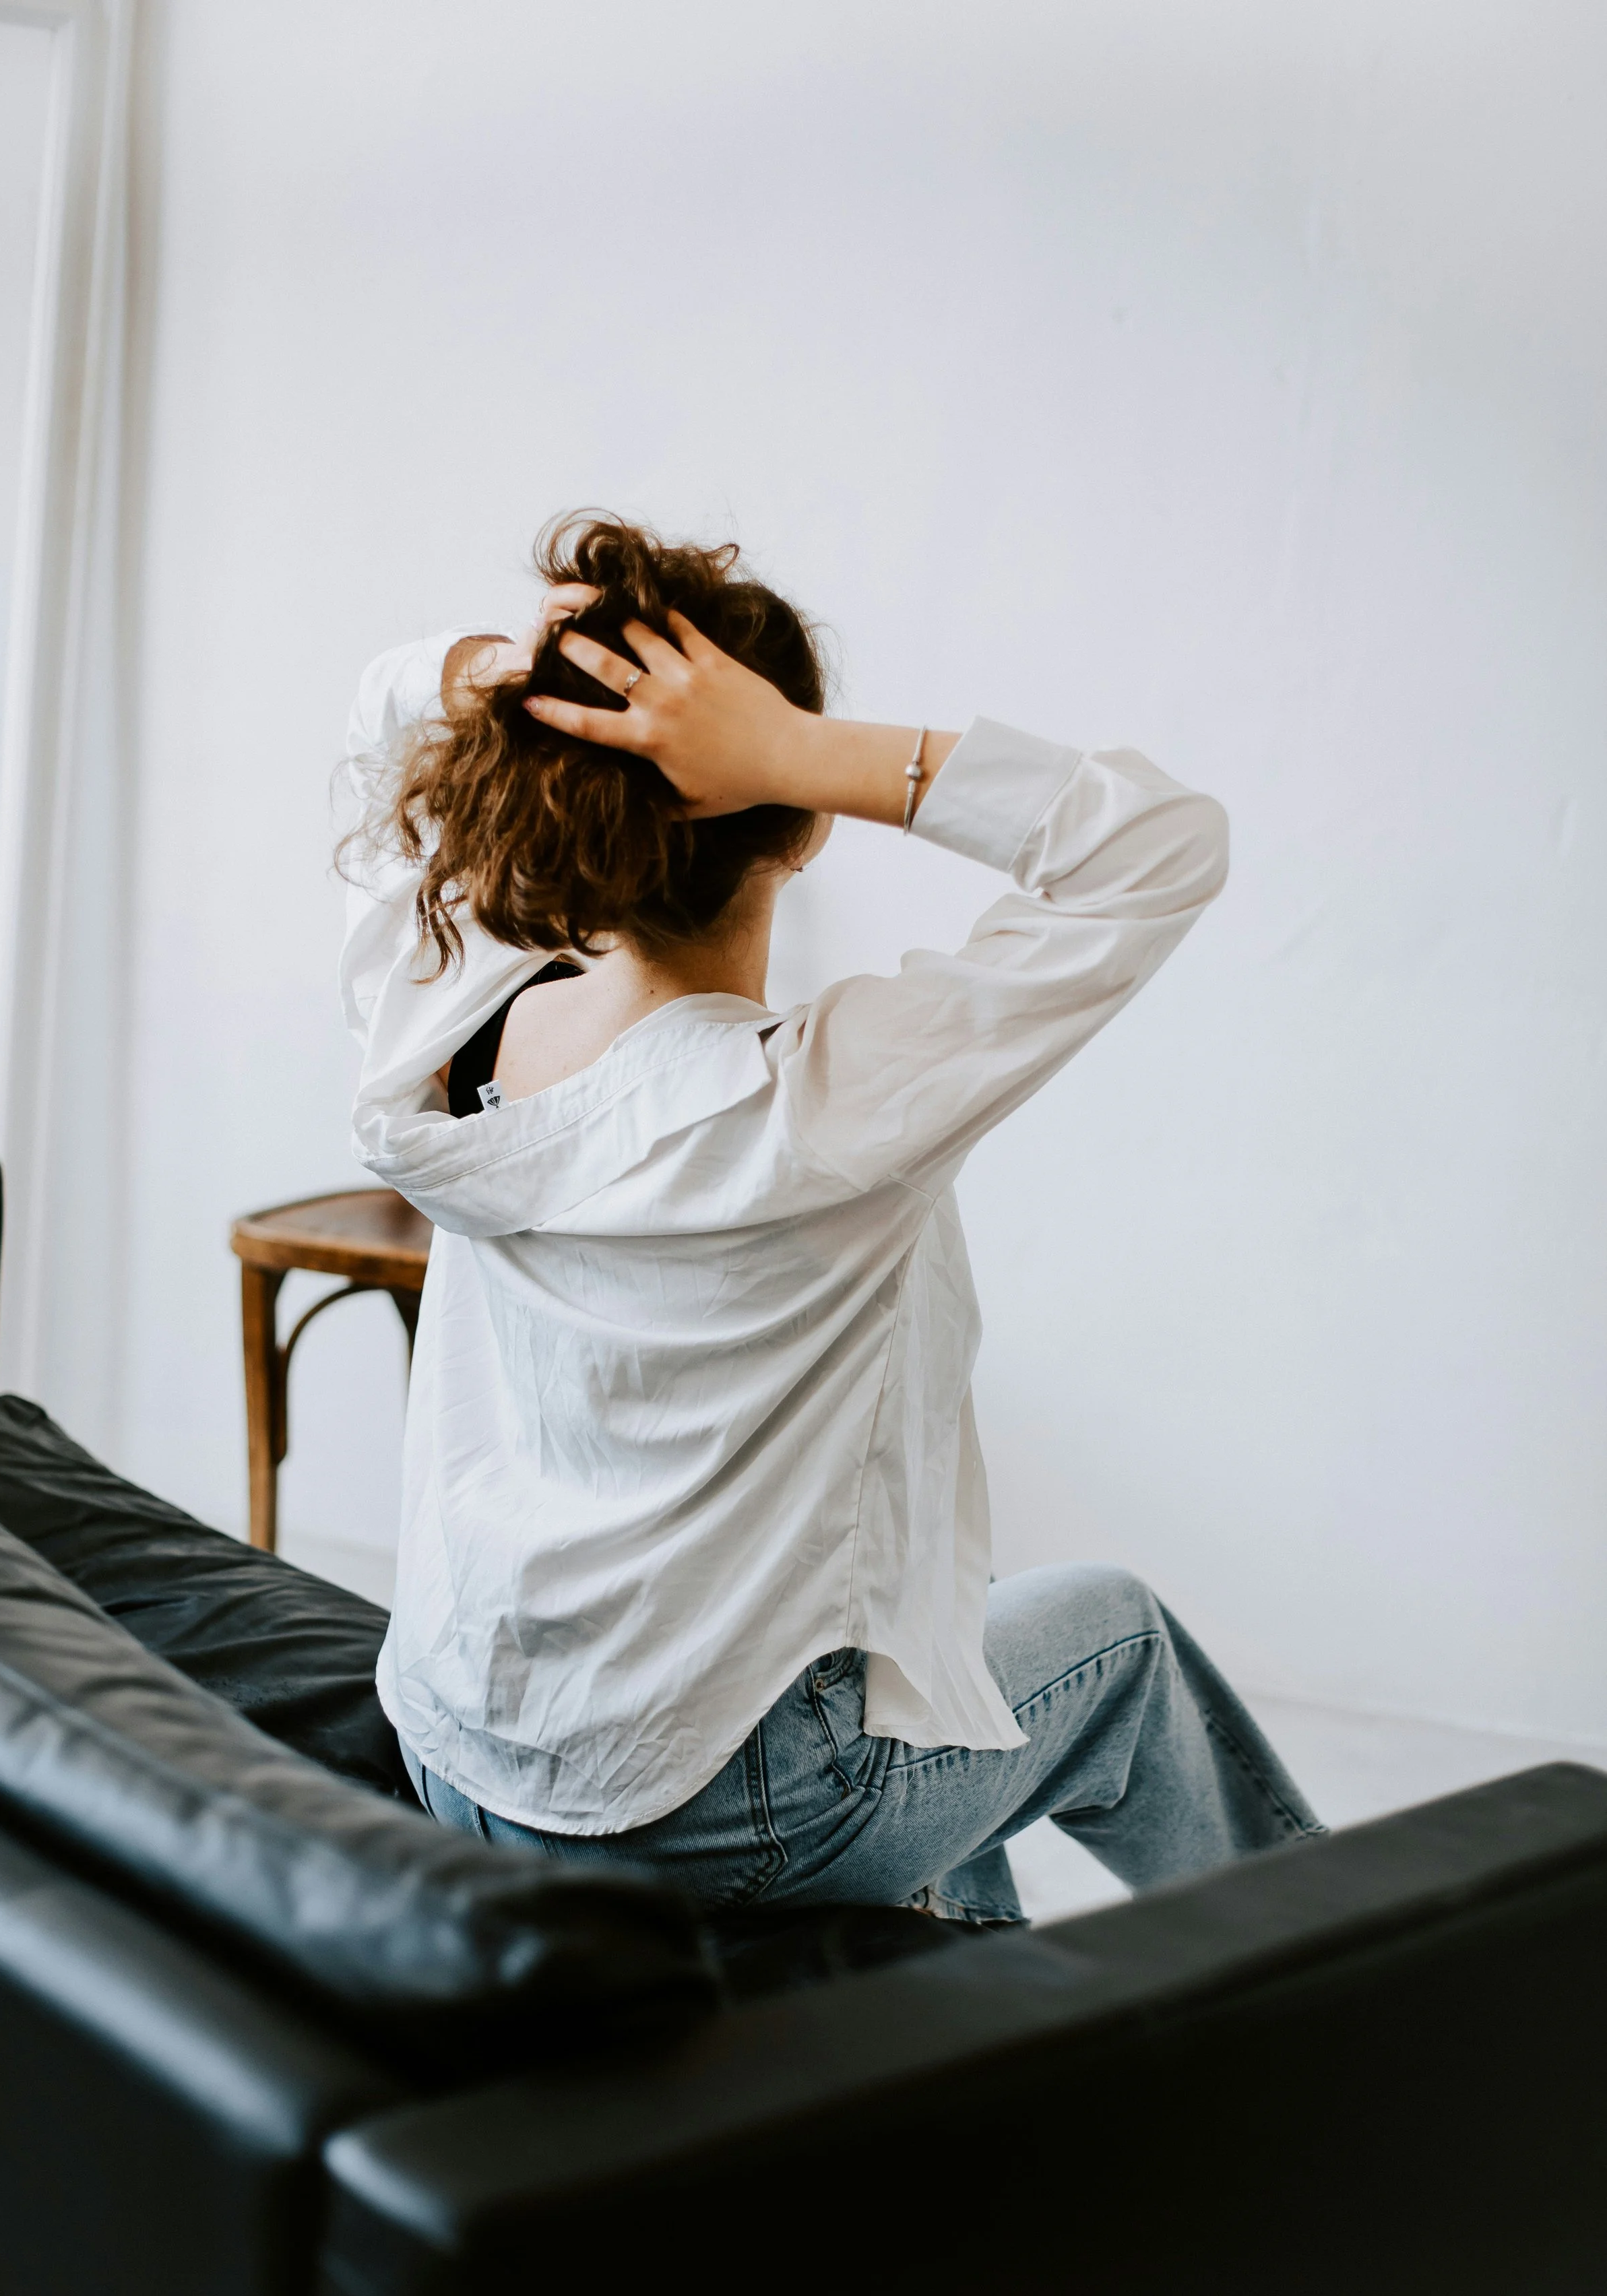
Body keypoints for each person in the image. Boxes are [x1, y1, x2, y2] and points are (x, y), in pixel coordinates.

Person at [340, 513, 1319, 1924]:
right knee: (1110, 1638)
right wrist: (798, 745)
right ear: (791, 825)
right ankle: (1356, 1966)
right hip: (709, 1808)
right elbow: (1157, 846)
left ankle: (933, 2047)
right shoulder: (817, 1106)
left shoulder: (448, 1050)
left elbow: (378, 700)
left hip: (464, 1751)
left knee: (939, 1686)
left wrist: (546, 675)